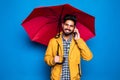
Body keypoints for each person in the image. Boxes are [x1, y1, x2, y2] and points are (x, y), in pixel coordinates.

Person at [44, 14, 93, 80]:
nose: (68, 27)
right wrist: (53, 60)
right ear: (62, 25)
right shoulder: (53, 41)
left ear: (74, 28)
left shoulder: (78, 41)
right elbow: (47, 58)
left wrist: (78, 40)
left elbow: (88, 57)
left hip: (73, 78)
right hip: (57, 78)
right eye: (66, 25)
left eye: (71, 26)